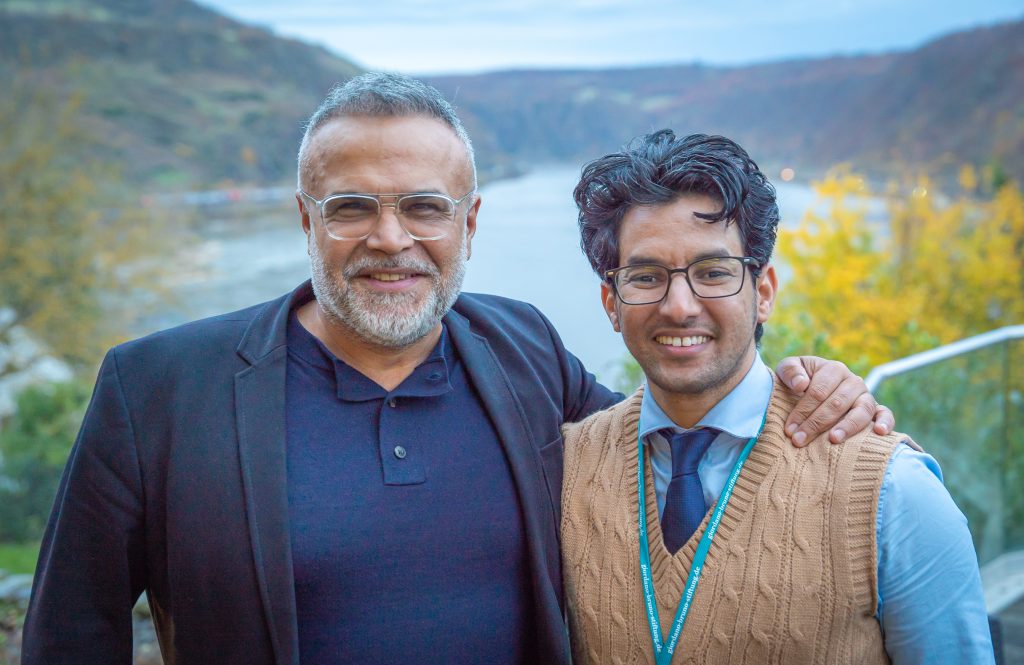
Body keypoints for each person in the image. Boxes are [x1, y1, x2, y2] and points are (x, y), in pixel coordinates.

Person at [23, 74, 891, 664]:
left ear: (469, 222)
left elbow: (666, 440)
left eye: (424, 208)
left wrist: (806, 389)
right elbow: (69, 632)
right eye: (352, 207)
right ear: (305, 218)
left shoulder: (525, 349)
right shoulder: (160, 390)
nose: (391, 239)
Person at [561, 130, 994, 664]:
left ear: (762, 292)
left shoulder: (891, 492)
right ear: (612, 302)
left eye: (712, 273)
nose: (678, 306)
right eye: (646, 276)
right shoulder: (566, 469)